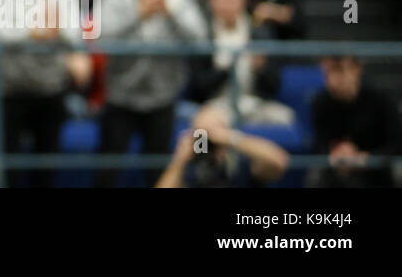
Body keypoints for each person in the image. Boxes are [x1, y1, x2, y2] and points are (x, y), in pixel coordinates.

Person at [96, 0, 207, 187]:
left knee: (157, 174)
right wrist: (138, 13)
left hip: (162, 99)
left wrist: (171, 12)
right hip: (121, 98)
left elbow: (201, 40)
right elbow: (98, 38)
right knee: (106, 174)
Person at [0, 0, 89, 188]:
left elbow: (75, 32)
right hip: (12, 89)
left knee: (46, 165)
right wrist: (34, 30)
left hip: (51, 88)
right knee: (9, 167)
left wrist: (53, 31)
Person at [308, 56, 401, 188]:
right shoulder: (320, 102)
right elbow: (317, 142)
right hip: (335, 171)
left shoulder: (381, 100)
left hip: (375, 171)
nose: (332, 80)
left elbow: (397, 144)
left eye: (338, 70)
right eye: (327, 73)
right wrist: (334, 154)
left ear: (357, 69)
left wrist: (367, 158)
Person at [156, 103, 289, 188]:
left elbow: (279, 161)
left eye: (209, 135)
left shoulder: (240, 165)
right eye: (201, 135)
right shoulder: (190, 169)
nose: (207, 141)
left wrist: (228, 138)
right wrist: (180, 159)